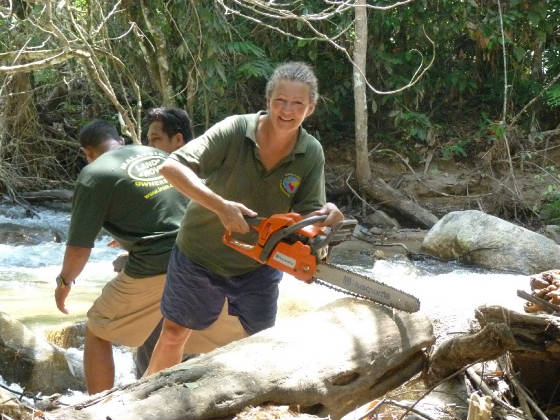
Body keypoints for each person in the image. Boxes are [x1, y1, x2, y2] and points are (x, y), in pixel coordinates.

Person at [144, 61, 344, 376]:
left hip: (260, 262)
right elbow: (171, 167)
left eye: (297, 104)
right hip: (201, 253)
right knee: (173, 334)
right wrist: (221, 206)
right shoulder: (235, 130)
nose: (287, 110)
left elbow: (308, 214)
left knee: (262, 342)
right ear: (268, 101)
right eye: (280, 101)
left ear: (311, 108)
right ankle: (143, 407)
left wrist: (325, 217)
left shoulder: (311, 152)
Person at [54, 119, 191, 394]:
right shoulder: (153, 153)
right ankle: (161, 402)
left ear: (87, 153)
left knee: (97, 330)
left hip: (157, 261)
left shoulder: (94, 174)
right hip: (202, 250)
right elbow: (166, 206)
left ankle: (99, 406)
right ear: (119, 141)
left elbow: (79, 248)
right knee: (177, 332)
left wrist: (64, 283)